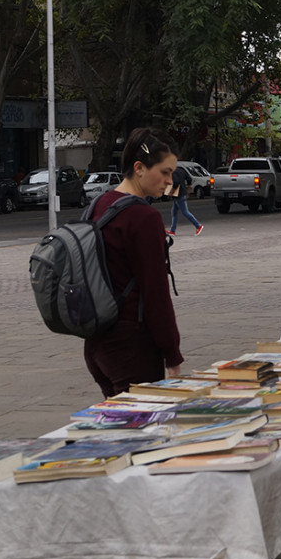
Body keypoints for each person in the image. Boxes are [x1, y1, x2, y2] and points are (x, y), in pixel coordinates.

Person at [84, 127, 184, 397]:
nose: (169, 181)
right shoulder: (144, 217)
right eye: (165, 172)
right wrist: (172, 355)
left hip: (97, 343)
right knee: (144, 432)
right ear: (139, 168)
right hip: (132, 347)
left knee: (119, 430)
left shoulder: (99, 204)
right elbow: (155, 293)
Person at [168, 164, 203, 236]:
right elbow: (189, 179)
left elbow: (176, 183)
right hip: (182, 193)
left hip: (179, 195)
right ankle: (172, 230)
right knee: (174, 212)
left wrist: (171, 192)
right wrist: (188, 190)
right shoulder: (181, 169)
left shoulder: (173, 172)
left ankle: (198, 225)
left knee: (185, 212)